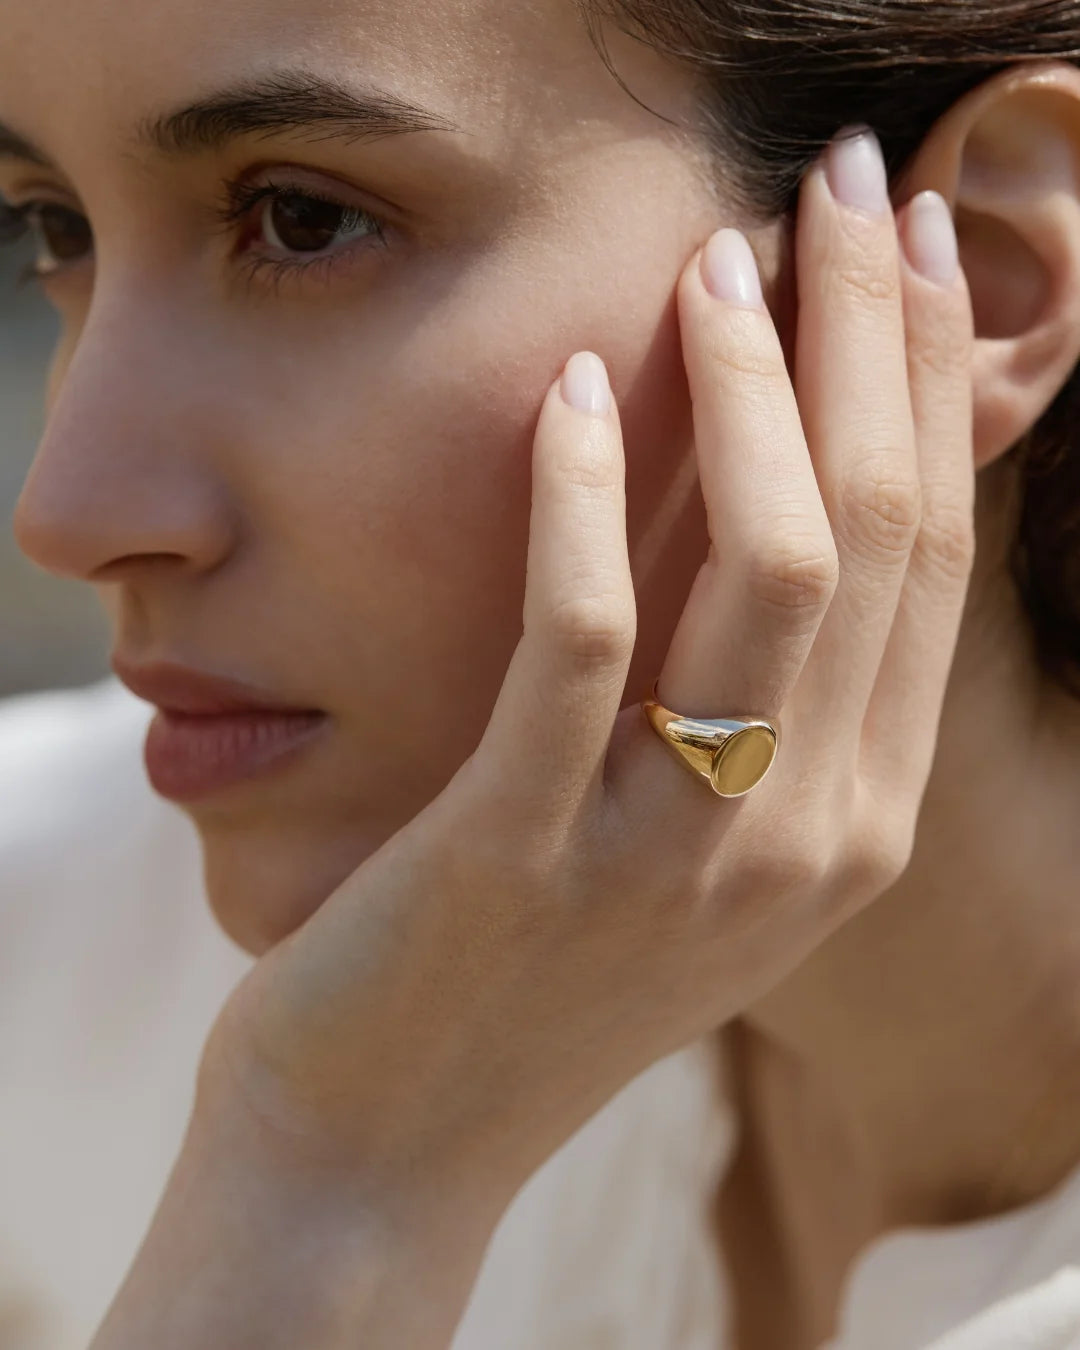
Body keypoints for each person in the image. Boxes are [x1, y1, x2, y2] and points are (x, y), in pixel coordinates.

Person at [2, 0, 1080, 1346]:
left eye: (303, 218)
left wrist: (343, 1195)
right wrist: (317, 1175)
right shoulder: (48, 938)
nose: (67, 509)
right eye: (56, 226)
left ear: (977, 268)